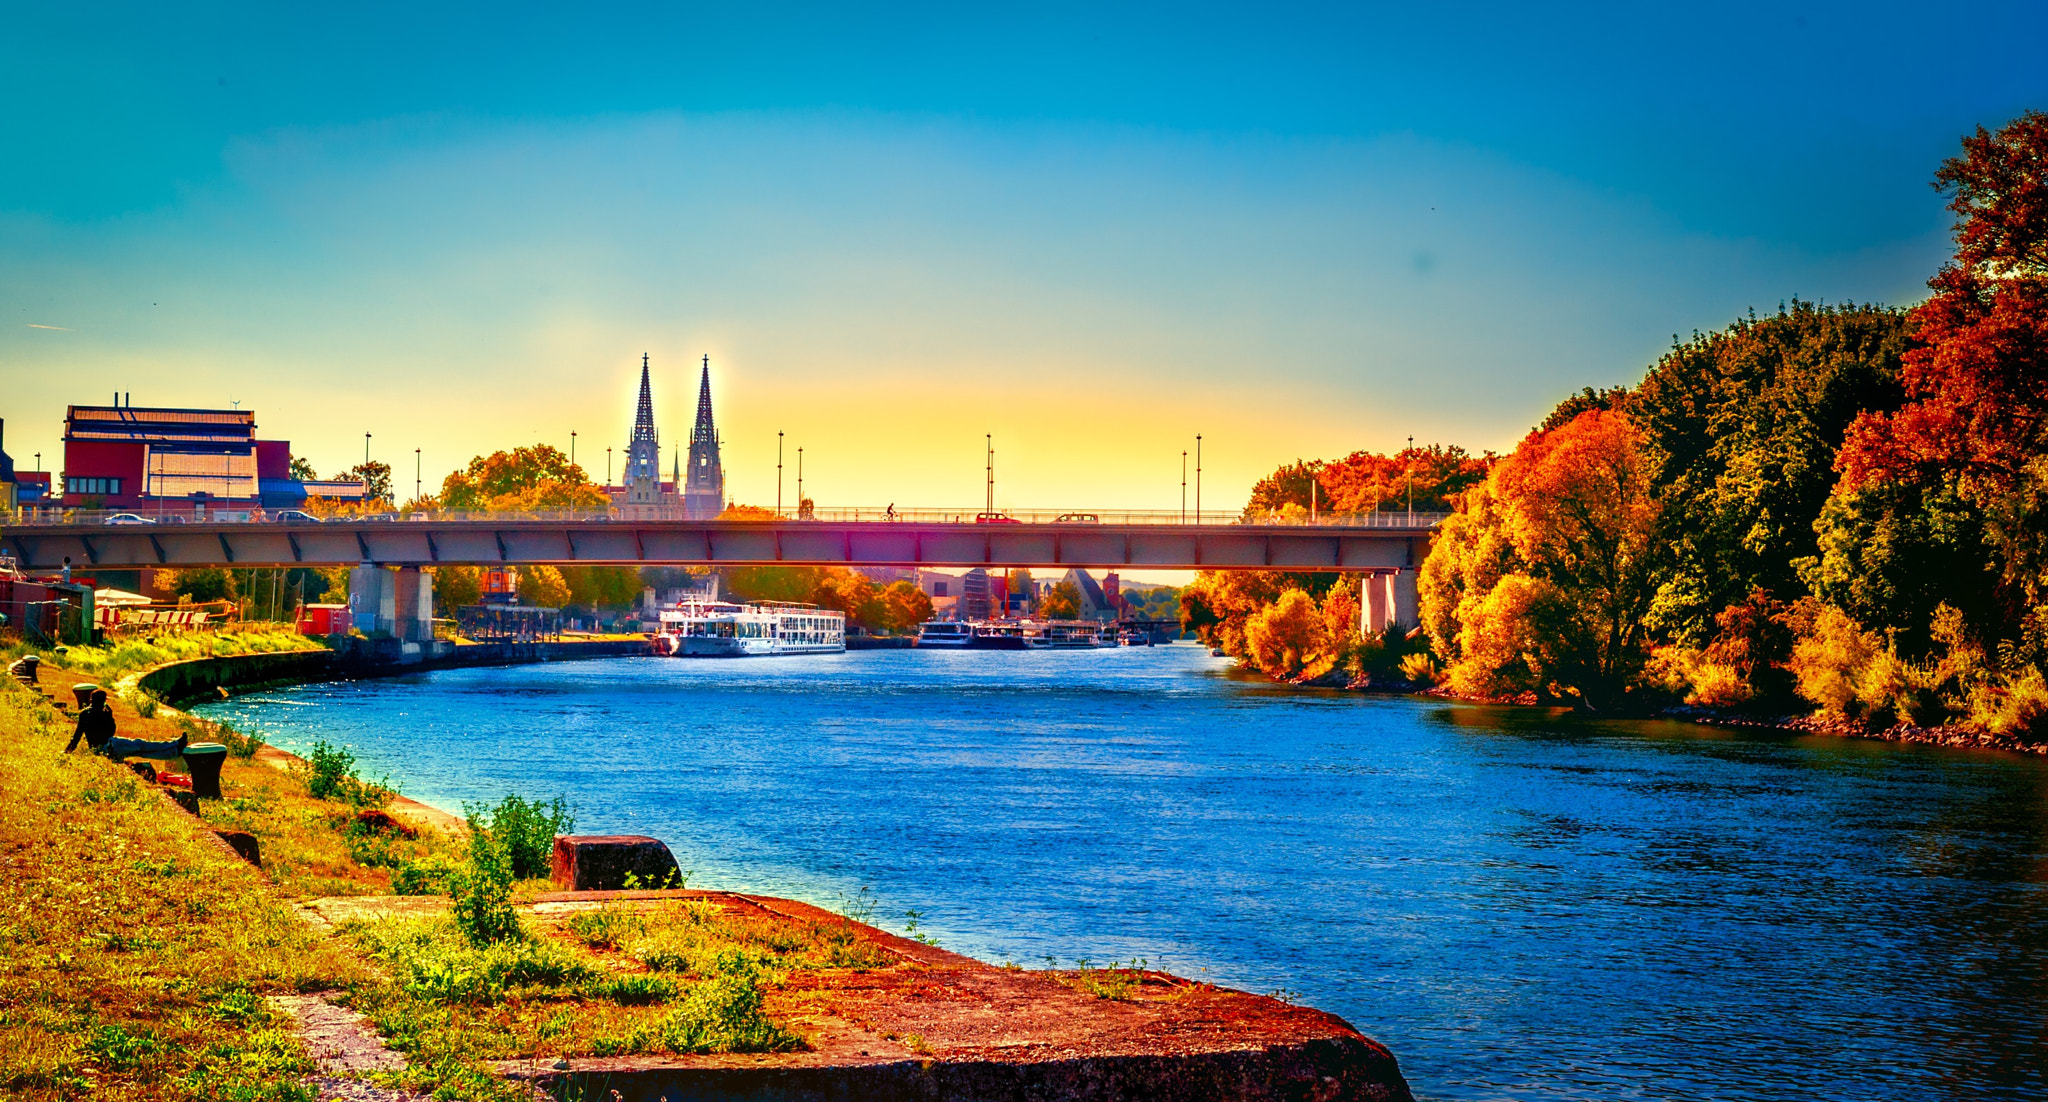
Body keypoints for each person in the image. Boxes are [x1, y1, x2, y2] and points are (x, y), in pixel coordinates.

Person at [65, 688, 116, 753]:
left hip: (93, 746)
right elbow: (111, 732)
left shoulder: (84, 713)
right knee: (132, 744)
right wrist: (110, 717)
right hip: (106, 745)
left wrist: (69, 749)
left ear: (91, 700)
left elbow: (78, 733)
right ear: (103, 702)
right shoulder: (105, 714)